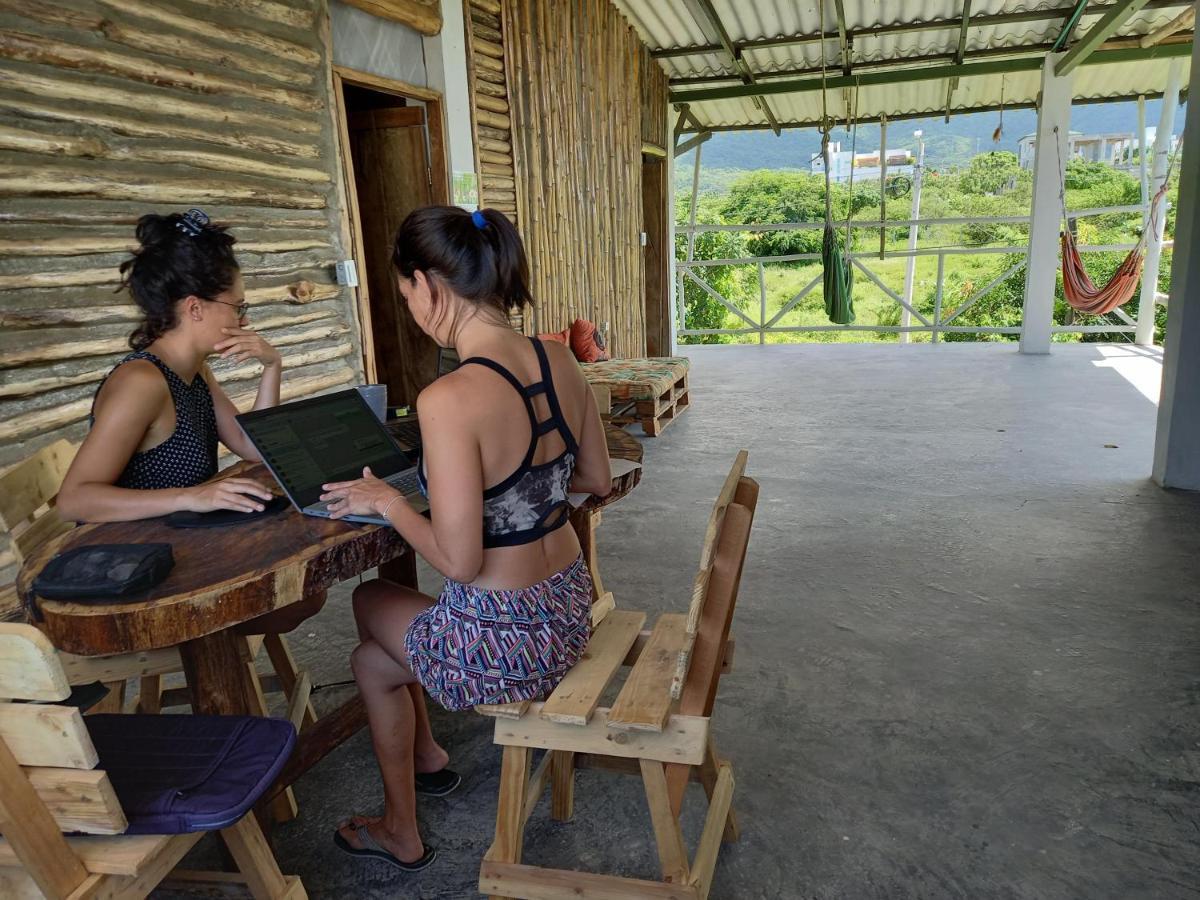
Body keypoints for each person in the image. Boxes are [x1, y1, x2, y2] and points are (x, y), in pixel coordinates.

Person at [319, 206, 612, 872]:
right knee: (373, 661)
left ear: (429, 285)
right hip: (568, 611)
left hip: (505, 643)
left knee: (369, 606)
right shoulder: (559, 357)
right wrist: (521, 497)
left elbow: (459, 559)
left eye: (405, 296)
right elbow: (592, 476)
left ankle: (406, 817)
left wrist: (391, 502)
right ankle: (424, 767)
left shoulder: (448, 398)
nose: (412, 310)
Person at [57, 209, 281, 523]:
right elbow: (73, 500)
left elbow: (254, 448)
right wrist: (191, 497)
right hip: (131, 554)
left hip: (180, 541)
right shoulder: (142, 381)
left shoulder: (196, 372)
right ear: (195, 308)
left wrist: (272, 366)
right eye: (238, 307)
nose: (244, 320)